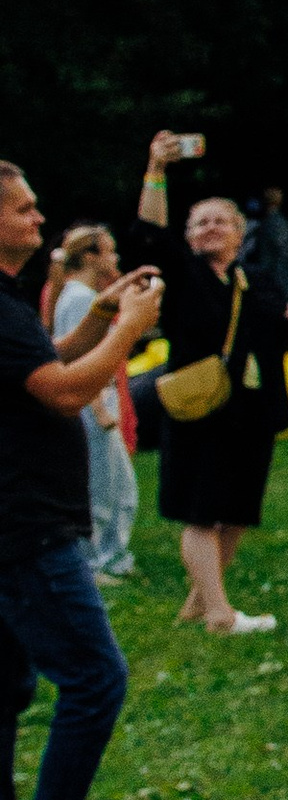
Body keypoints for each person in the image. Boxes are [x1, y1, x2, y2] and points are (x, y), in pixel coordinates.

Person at [0, 162, 164, 800]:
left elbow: (44, 362)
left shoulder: (9, 304)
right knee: (95, 677)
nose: (41, 222)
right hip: (27, 531)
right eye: (25, 210)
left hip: (17, 527)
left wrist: (98, 318)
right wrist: (128, 333)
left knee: (5, 687)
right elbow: (65, 392)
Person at [135, 132, 288, 635]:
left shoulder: (258, 281)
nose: (211, 228)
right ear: (188, 236)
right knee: (201, 512)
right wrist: (156, 170)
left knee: (236, 512)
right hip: (201, 409)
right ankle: (219, 613)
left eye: (221, 221)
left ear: (239, 233)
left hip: (252, 413)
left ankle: (198, 601)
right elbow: (149, 232)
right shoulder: (184, 276)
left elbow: (277, 345)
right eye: (201, 222)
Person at [49, 227, 139, 582]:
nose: (115, 260)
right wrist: (101, 410)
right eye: (110, 252)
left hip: (100, 403)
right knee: (101, 487)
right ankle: (93, 562)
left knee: (121, 486)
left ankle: (114, 557)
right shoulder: (80, 299)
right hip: (93, 407)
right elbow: (80, 358)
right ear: (90, 257)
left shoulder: (83, 295)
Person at [243, 186, 288, 303]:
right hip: (274, 274)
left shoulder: (274, 222)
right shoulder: (272, 221)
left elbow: (281, 249)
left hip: (275, 275)